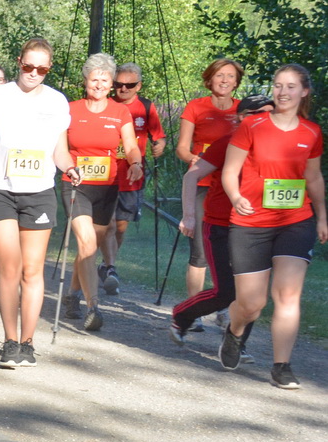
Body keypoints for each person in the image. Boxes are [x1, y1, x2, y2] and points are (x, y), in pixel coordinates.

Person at [218, 65, 326, 389]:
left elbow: (313, 178)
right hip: (251, 222)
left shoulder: (311, 132)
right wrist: (236, 196)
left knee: (288, 294)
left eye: (290, 86)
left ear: (304, 91)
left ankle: (282, 366)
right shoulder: (252, 125)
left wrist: (321, 217)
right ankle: (235, 332)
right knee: (252, 304)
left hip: (295, 221)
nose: (283, 92)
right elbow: (229, 171)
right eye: (278, 85)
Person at [0, 38, 75, 368]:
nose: (33, 73)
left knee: (32, 269)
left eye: (41, 69)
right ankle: (9, 340)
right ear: (18, 62)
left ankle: (27, 343)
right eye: (28, 66)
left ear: (49, 69)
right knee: (10, 264)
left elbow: (60, 152)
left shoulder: (57, 102)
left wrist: (70, 168)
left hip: (39, 192)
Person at [58, 53, 141, 332]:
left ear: (111, 83)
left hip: (107, 186)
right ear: (85, 81)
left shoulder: (119, 112)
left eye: (105, 80)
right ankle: (93, 307)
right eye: (95, 79)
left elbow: (130, 145)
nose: (99, 84)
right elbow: (59, 147)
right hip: (75, 183)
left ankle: (72, 294)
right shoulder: (70, 109)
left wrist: (136, 163)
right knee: (86, 242)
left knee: (91, 245)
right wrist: (69, 167)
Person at [170, 97, 254, 343]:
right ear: (241, 118)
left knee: (251, 292)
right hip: (220, 223)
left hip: (255, 227)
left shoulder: (275, 147)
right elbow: (190, 177)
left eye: (269, 113)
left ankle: (237, 344)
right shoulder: (227, 143)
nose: (263, 118)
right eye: (255, 113)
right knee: (226, 291)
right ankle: (184, 314)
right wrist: (189, 216)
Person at [177, 59, 243, 303]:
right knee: (200, 252)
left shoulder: (243, 110)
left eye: (230, 76)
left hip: (233, 188)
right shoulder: (196, 107)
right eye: (219, 75)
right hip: (203, 184)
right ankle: (195, 309)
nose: (225, 80)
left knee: (234, 251)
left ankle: (224, 305)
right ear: (209, 79)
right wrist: (197, 160)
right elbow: (181, 149)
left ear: (236, 82)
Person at [101, 61, 166, 294]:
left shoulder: (146, 107)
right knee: (107, 225)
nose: (123, 89)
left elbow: (158, 135)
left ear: (138, 86)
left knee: (120, 227)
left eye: (129, 85)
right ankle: (111, 269)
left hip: (132, 177)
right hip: (105, 174)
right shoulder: (105, 104)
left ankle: (106, 265)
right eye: (119, 84)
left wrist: (160, 145)